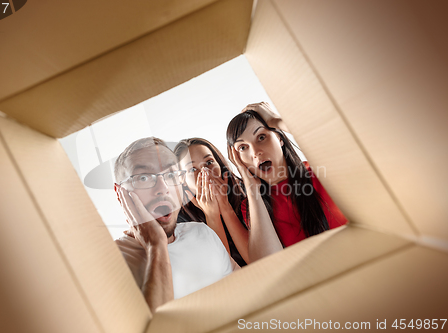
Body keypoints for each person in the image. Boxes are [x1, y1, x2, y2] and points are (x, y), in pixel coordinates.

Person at [113, 137, 234, 313]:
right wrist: (156, 245)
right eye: (144, 177)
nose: (163, 188)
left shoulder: (203, 231)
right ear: (120, 193)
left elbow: (247, 292)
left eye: (170, 175)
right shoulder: (113, 261)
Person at [226, 102, 347, 262]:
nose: (255, 152)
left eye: (261, 137)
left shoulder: (320, 172)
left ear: (280, 138)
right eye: (243, 148)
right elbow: (268, 264)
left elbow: (344, 134)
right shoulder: (252, 208)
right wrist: (252, 190)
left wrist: (276, 121)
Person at [174, 138, 249, 265]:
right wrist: (211, 215)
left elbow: (259, 258)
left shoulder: (245, 192)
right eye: (193, 169)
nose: (205, 172)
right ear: (182, 179)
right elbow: (223, 268)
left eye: (209, 162)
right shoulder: (179, 221)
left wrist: (225, 207)